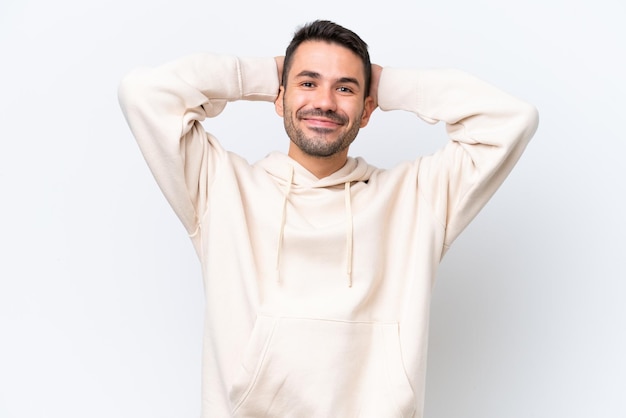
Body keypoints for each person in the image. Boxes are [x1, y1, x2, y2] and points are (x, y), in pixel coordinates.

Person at [118, 19, 538, 418]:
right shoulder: (219, 189)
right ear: (278, 97)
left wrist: (385, 82)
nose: (324, 101)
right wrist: (265, 73)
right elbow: (143, 93)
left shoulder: (416, 198)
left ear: (368, 108)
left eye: (345, 88)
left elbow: (511, 120)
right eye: (307, 83)